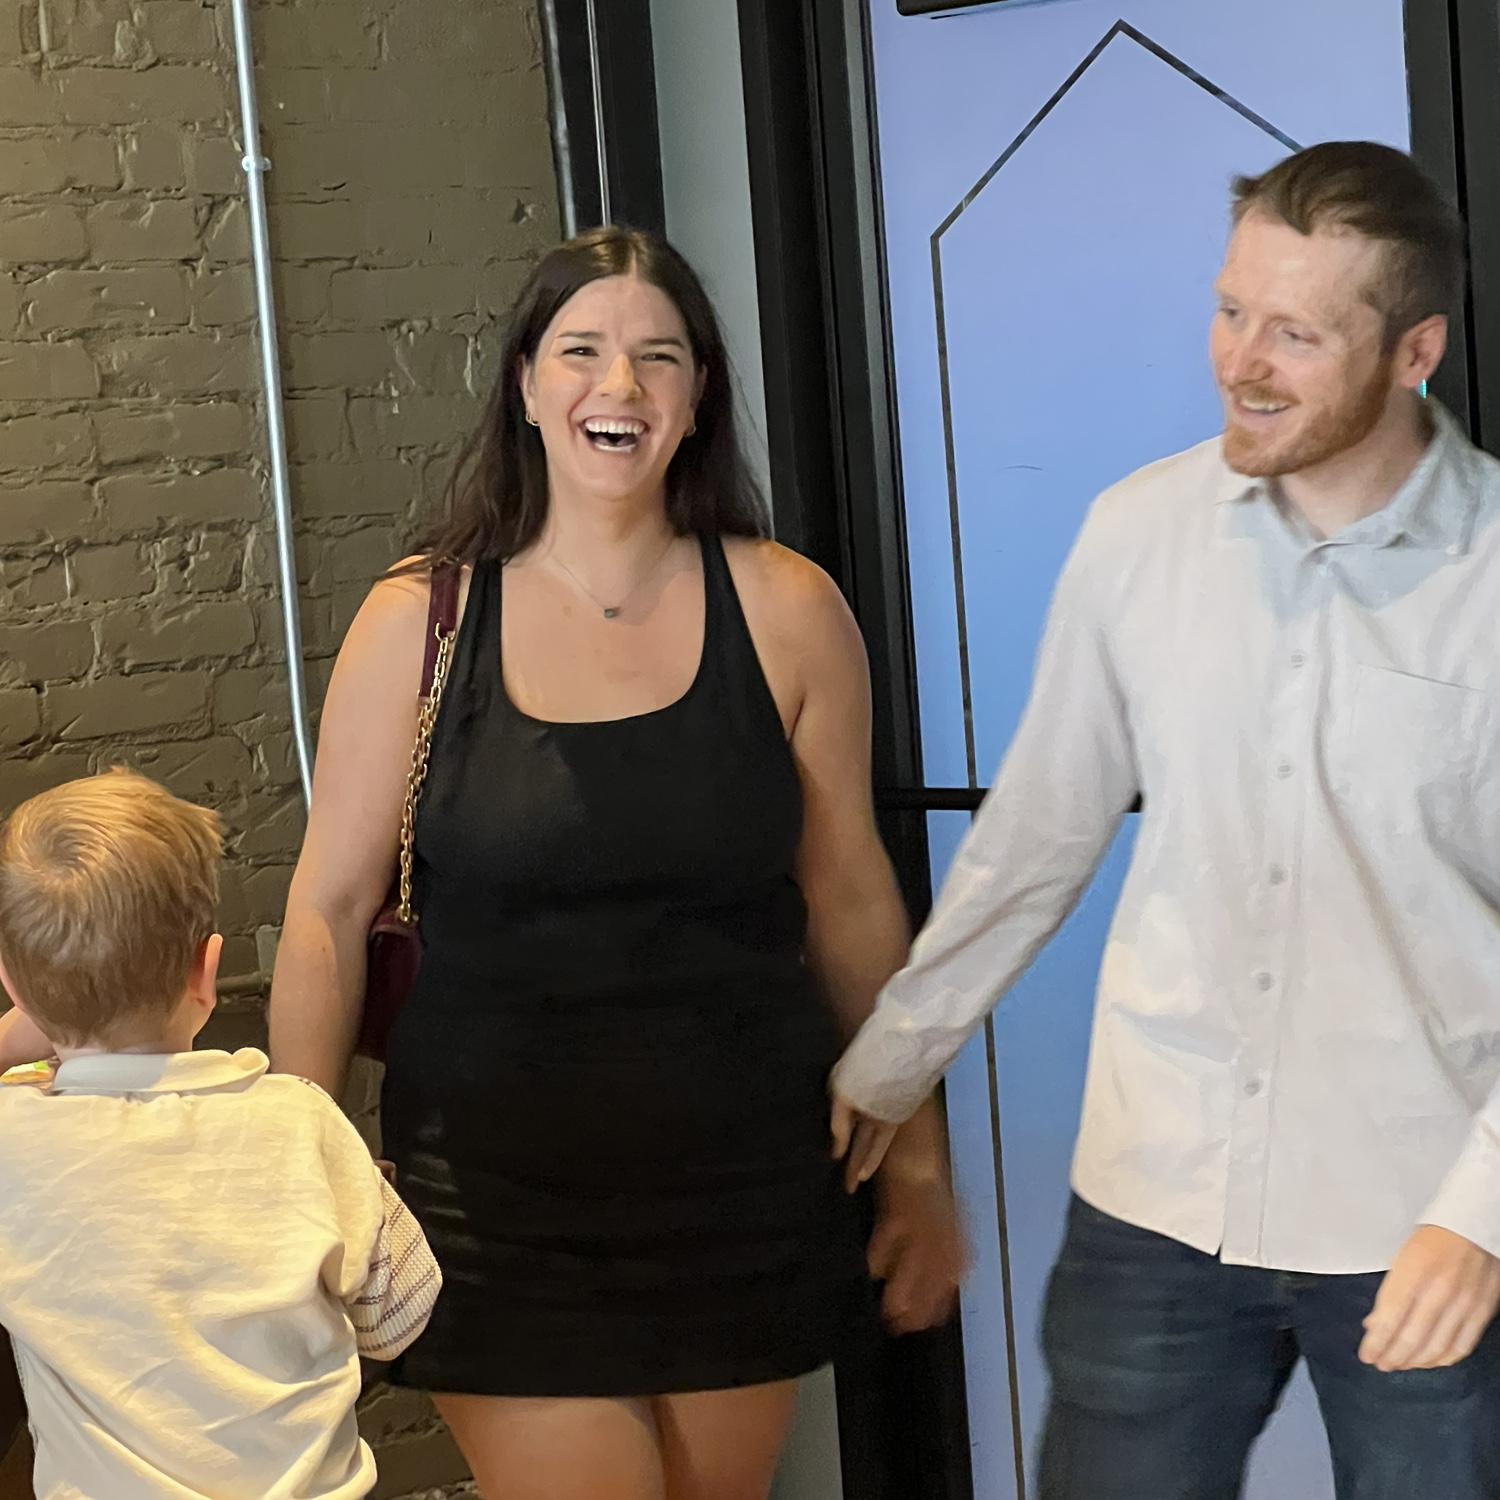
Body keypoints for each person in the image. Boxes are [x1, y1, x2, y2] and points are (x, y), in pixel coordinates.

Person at [831, 141, 1500, 1498]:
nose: (1242, 362)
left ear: (1414, 352)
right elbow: (1037, 837)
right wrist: (890, 1062)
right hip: (1158, 1197)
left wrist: (1484, 1214)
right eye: (1231, 309)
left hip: (1419, 1208)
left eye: (1298, 333)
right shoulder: (1138, 533)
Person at [268, 225, 964, 1500]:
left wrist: (919, 1161)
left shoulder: (790, 609)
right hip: (494, 1210)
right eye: (582, 351)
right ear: (527, 386)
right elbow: (328, 909)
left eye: (659, 357)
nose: (620, 386)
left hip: (744, 1194)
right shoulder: (418, 620)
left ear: (697, 398)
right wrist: (298, 1174)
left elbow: (852, 898)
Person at [0, 768, 441, 1499]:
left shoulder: (13, 1142)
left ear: (14, 990)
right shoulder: (302, 1122)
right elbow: (398, 1319)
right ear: (207, 970)